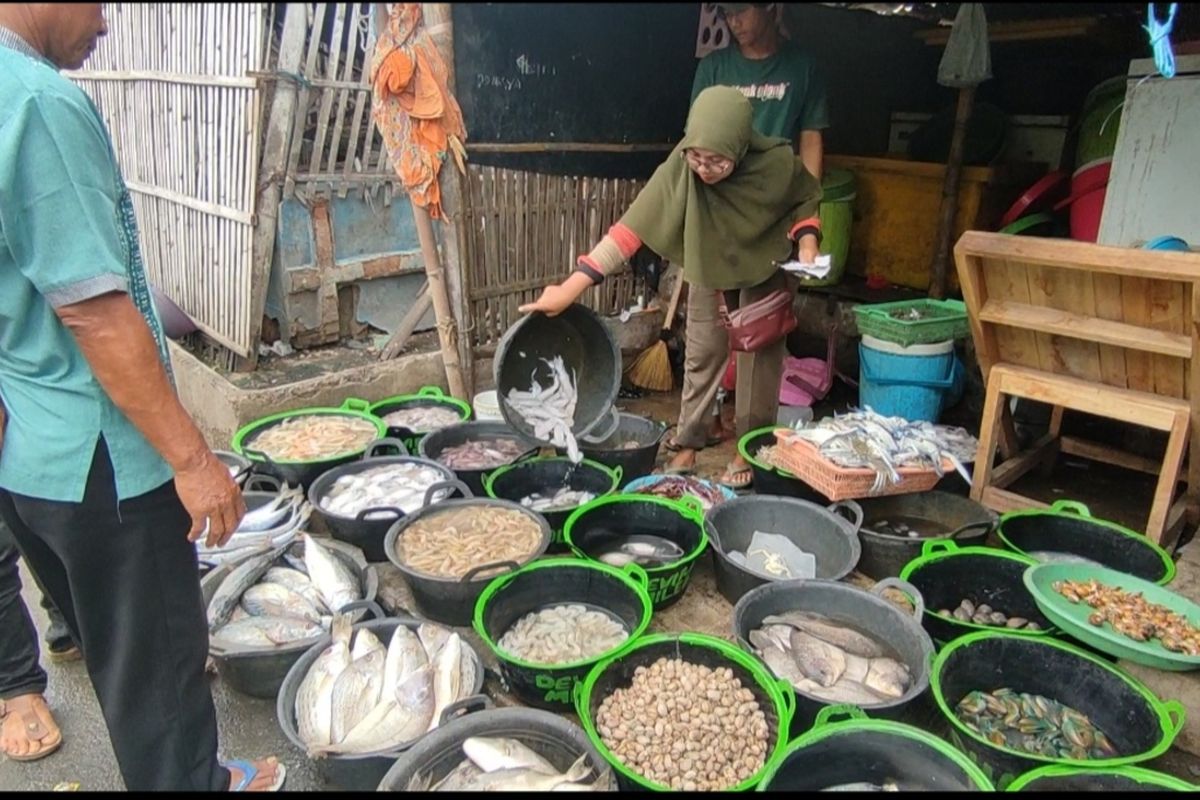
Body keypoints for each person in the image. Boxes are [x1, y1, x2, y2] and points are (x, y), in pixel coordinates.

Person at [0, 4, 283, 791]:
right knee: (160, 686)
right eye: (100, 2)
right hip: (105, 468)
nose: (106, 22)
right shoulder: (36, 100)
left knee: (126, 666)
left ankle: (203, 775)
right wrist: (192, 461)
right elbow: (92, 307)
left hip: (33, 461)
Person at [520, 87, 823, 472]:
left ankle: (748, 450)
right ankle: (689, 443)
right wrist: (570, 287)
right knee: (702, 354)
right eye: (696, 156)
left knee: (760, 363)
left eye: (716, 161)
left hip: (763, 265)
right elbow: (629, 231)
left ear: (741, 147)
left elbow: (805, 202)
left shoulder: (778, 164)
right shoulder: (683, 166)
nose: (703, 169)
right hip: (707, 264)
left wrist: (808, 242)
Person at [664, 2, 831, 487]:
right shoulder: (714, 67)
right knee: (704, 340)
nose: (733, 21)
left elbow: (811, 142)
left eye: (741, 10)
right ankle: (690, 441)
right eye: (726, 12)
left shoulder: (802, 67)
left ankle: (748, 448)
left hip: (770, 227)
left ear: (770, 7)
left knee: (762, 344)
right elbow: (695, 140)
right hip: (715, 224)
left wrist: (806, 213)